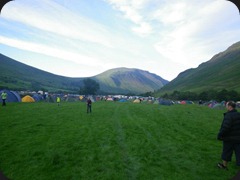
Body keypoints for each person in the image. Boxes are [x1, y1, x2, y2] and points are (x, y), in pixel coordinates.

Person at [217, 101, 240, 170]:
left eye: (226, 105)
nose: (226, 106)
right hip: (238, 138)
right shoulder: (238, 114)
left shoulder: (229, 115)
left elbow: (225, 127)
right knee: (239, 152)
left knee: (226, 151)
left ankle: (224, 166)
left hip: (229, 138)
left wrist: (220, 135)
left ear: (230, 106)